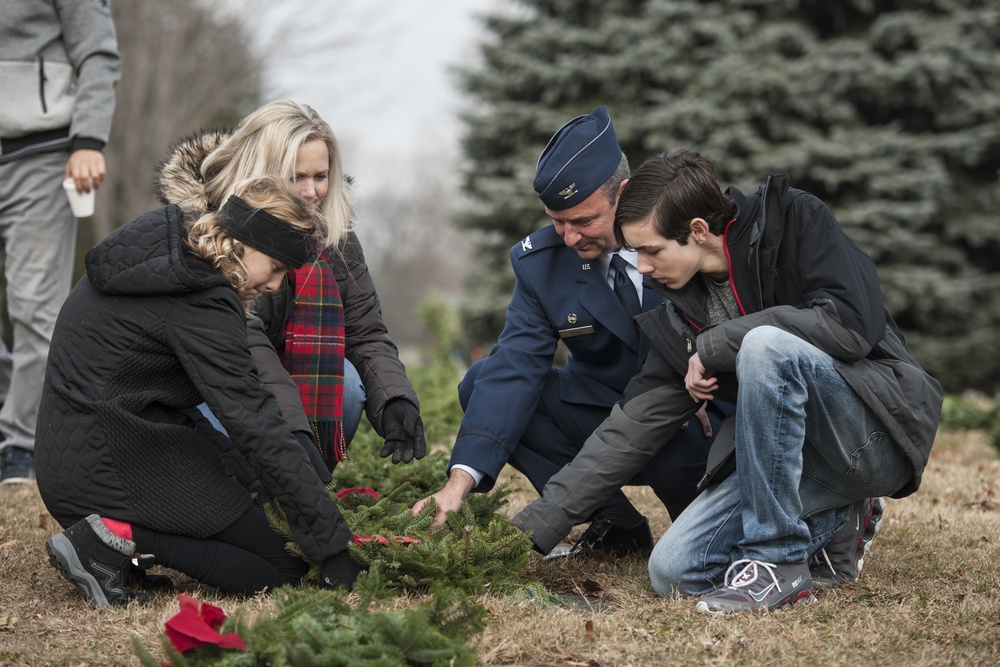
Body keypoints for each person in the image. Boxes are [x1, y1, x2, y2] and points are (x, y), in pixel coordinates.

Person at [513, 149, 943, 613]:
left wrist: (717, 344)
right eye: (636, 250)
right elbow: (632, 426)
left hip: (873, 437)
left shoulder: (796, 219)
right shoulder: (681, 309)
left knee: (765, 346)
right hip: (792, 468)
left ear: (698, 230)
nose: (641, 266)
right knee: (673, 571)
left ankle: (776, 562)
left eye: (651, 250)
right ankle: (839, 515)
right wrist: (528, 533)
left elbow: (850, 324)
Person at [413, 107, 731, 557]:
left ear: (622, 195)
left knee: (699, 555)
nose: (567, 237)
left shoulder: (682, 235)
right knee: (483, 380)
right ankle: (615, 524)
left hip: (691, 418)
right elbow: (514, 367)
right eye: (556, 221)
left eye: (582, 221)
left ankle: (711, 523)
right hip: (604, 417)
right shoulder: (542, 265)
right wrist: (457, 485)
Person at [36, 175, 363, 608]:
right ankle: (108, 538)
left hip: (86, 448)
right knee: (284, 569)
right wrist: (333, 547)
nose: (273, 285)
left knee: (251, 503)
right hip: (110, 461)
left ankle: (122, 552)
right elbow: (253, 420)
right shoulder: (200, 299)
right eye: (278, 268)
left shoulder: (165, 250)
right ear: (247, 243)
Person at [156, 99, 425, 475]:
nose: (312, 192)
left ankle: (304, 481)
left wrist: (396, 399)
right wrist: (292, 429)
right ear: (263, 170)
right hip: (215, 382)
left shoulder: (335, 233)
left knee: (347, 384)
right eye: (296, 177)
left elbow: (365, 331)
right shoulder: (212, 228)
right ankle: (237, 485)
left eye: (320, 176)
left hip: (289, 377)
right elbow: (241, 340)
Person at [0, 0, 121, 485]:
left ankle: (21, 443)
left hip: (41, 152)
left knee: (34, 305)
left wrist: (88, 138)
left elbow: (98, 54)